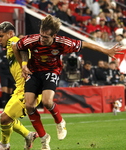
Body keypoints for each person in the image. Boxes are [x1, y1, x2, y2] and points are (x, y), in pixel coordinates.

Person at [13, 14, 123, 150]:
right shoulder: (32, 40)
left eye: (46, 37)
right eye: (41, 35)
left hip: (51, 71)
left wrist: (106, 51)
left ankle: (60, 122)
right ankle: (44, 139)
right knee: (29, 106)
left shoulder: (63, 42)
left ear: (54, 35)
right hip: (33, 72)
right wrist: (23, 64)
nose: (42, 39)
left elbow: (86, 44)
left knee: (47, 102)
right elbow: (17, 47)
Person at [0, 22, 41, 150]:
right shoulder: (10, 46)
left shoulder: (13, 41)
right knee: (6, 118)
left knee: (5, 118)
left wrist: (24, 64)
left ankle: (4, 145)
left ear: (10, 34)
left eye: (1, 36)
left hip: (28, 89)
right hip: (20, 88)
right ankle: (28, 135)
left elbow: (19, 47)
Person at [0, 44, 15, 108]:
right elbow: (0, 64)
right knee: (4, 89)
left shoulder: (13, 54)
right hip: (4, 74)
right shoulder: (1, 53)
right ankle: (4, 105)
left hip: (11, 74)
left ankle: (9, 106)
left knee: (10, 90)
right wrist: (7, 65)